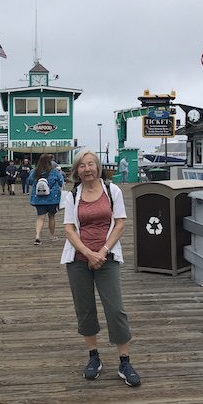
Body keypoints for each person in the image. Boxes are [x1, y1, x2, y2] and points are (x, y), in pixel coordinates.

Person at [60, 149, 140, 387]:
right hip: (78, 259)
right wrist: (87, 253)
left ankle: (125, 361)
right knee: (84, 309)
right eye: (82, 165)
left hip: (108, 258)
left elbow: (120, 223)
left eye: (91, 164)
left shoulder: (111, 191)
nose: (87, 169)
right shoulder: (72, 195)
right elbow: (69, 229)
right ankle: (93, 357)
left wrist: (102, 252)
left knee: (115, 309)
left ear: (99, 167)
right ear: (77, 170)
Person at [28, 153, 63, 245]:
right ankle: (52, 236)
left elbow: (30, 181)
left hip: (39, 198)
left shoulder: (35, 171)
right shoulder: (54, 171)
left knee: (40, 217)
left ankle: (37, 236)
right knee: (51, 216)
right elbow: (60, 182)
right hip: (52, 198)